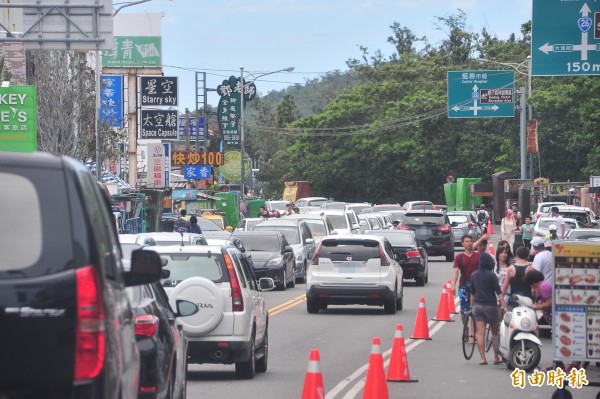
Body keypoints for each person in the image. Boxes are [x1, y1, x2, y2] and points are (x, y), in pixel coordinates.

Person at [470, 252, 507, 365]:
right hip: (490, 306)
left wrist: (472, 306)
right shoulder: (492, 275)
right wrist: (504, 305)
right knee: (494, 332)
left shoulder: (474, 275)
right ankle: (496, 357)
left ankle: (482, 358)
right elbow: (499, 292)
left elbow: (472, 292)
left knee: (480, 333)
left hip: (477, 306)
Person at [452, 234, 487, 325]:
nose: (469, 243)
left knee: (476, 310)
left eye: (471, 241)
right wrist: (453, 286)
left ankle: (474, 331)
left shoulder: (479, 256)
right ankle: (465, 327)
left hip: (477, 286)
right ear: (462, 244)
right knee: (464, 311)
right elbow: (456, 271)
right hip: (464, 285)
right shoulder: (459, 257)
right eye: (466, 242)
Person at [501, 246, 533, 311]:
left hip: (514, 297)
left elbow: (505, 286)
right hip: (527, 298)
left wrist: (501, 301)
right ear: (528, 255)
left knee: (513, 318)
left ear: (517, 255)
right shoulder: (531, 268)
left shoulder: (510, 269)